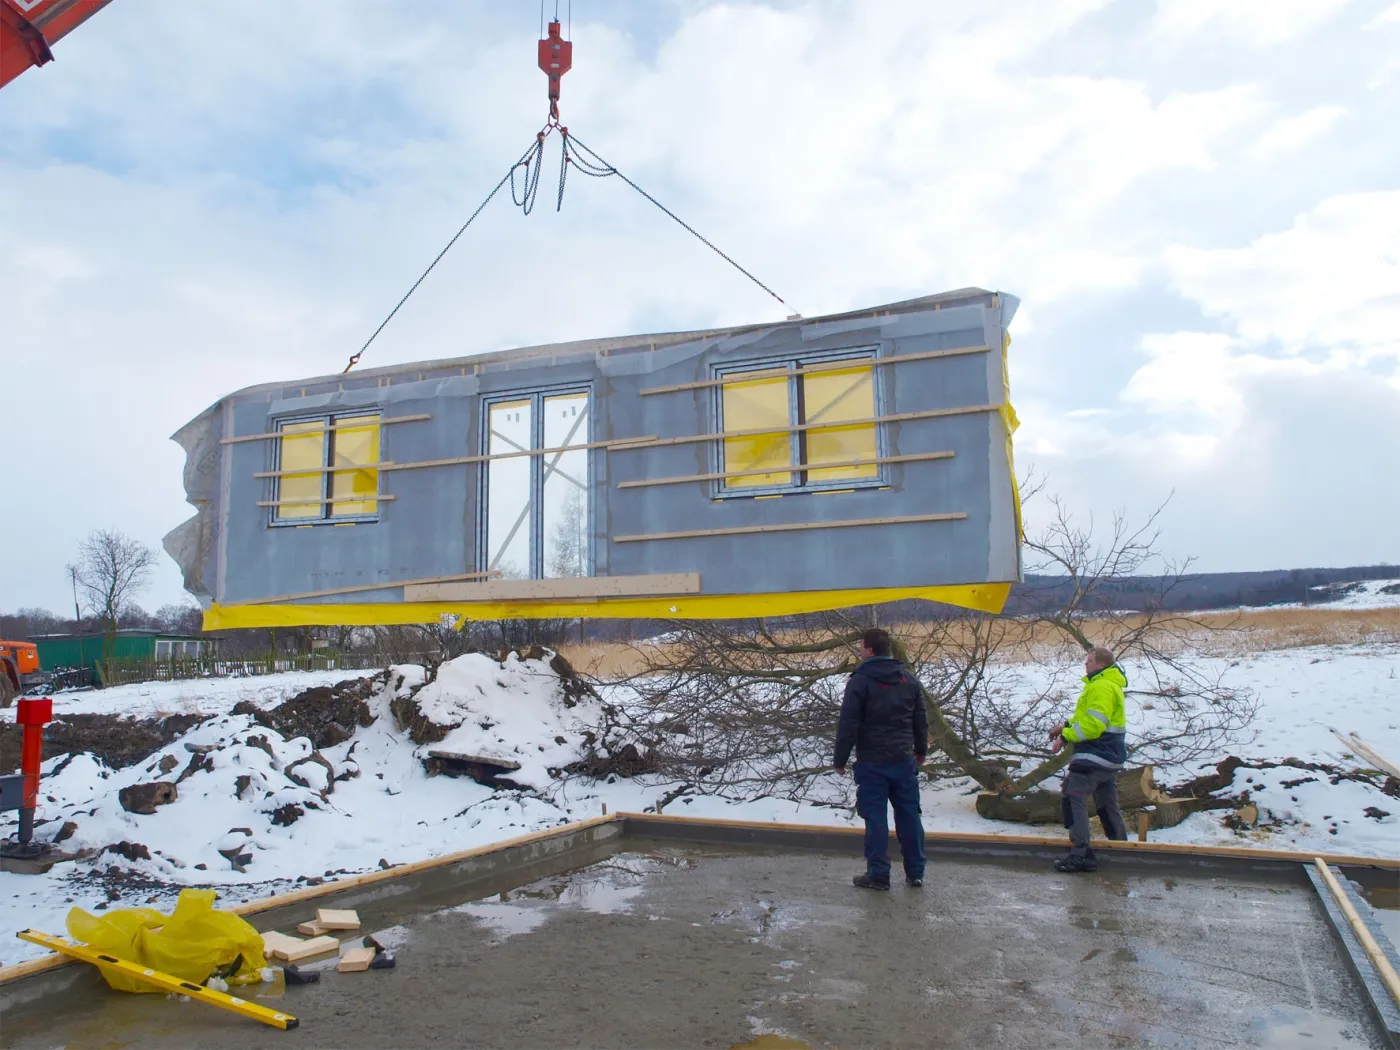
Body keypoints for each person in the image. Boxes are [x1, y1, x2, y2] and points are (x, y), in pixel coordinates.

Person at [833, 627, 928, 890]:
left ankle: (878, 875)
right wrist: (920, 751)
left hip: (872, 762)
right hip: (903, 759)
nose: (859, 650)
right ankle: (916, 872)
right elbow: (920, 720)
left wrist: (840, 759)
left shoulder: (860, 681)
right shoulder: (908, 680)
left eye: (861, 646)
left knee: (875, 819)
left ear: (870, 650)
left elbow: (848, 724)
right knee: (910, 816)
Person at [1049, 645, 1129, 872]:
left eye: (1089, 661)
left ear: (1101, 664)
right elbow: (1086, 717)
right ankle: (1123, 850)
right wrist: (1065, 725)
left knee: (1072, 796)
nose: (1085, 664)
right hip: (1109, 756)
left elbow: (1093, 726)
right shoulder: (1107, 684)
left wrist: (1065, 736)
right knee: (1106, 804)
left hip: (1095, 754)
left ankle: (1081, 854)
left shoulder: (1101, 686)